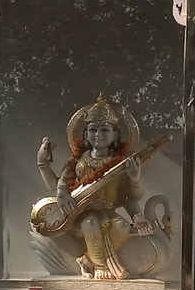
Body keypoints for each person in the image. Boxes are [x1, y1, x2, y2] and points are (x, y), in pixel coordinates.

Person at [32, 96, 147, 280]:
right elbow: (59, 185)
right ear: (85, 135)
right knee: (91, 223)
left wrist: (135, 183)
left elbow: (131, 198)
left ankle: (86, 259)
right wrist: (43, 164)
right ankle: (100, 266)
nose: (98, 135)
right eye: (93, 130)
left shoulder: (122, 164)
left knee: (124, 226)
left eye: (105, 130)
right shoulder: (78, 161)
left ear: (115, 135)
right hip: (82, 216)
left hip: (109, 214)